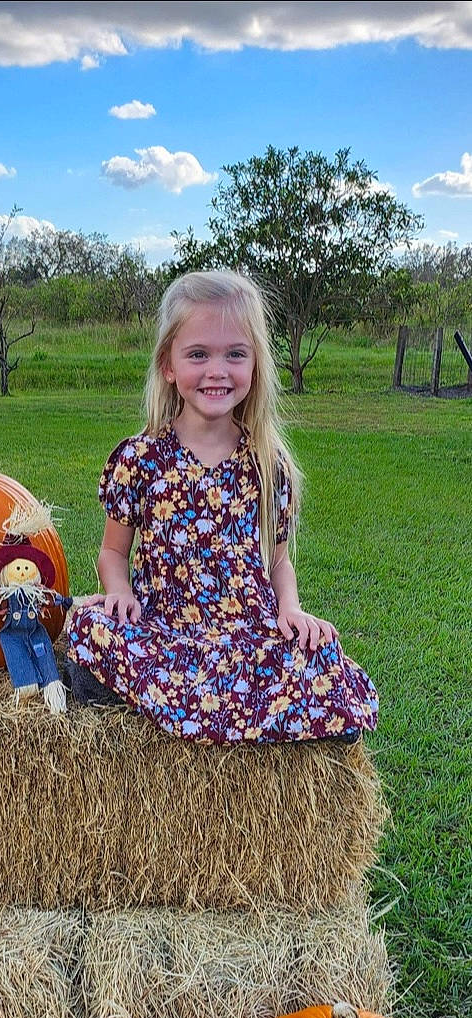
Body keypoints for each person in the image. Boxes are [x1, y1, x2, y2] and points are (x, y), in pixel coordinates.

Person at [66, 270, 378, 743]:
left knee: (326, 660)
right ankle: (186, 697)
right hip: (163, 630)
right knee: (90, 625)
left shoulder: (267, 465)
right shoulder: (140, 458)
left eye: (235, 354)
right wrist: (119, 593)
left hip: (245, 635)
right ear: (168, 365)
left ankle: (176, 702)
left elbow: (277, 559)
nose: (217, 371)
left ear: (255, 366)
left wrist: (291, 610)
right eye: (198, 354)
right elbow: (112, 553)